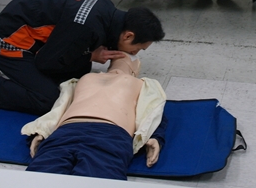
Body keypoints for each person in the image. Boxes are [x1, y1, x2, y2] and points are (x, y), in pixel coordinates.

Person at [0, 0, 164, 115]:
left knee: (76, 77)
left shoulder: (106, 8)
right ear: (127, 35)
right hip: (7, 43)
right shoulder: (86, 27)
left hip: (25, 33)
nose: (135, 53)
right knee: (49, 99)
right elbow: (45, 63)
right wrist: (90, 56)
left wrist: (86, 56)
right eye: (137, 49)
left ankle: (0, 71)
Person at [22, 52, 167, 180]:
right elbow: (153, 111)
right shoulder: (85, 79)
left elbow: (154, 111)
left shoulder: (140, 83)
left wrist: (155, 137)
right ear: (135, 70)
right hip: (81, 133)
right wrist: (42, 130)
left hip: (95, 133)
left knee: (44, 175)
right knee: (41, 177)